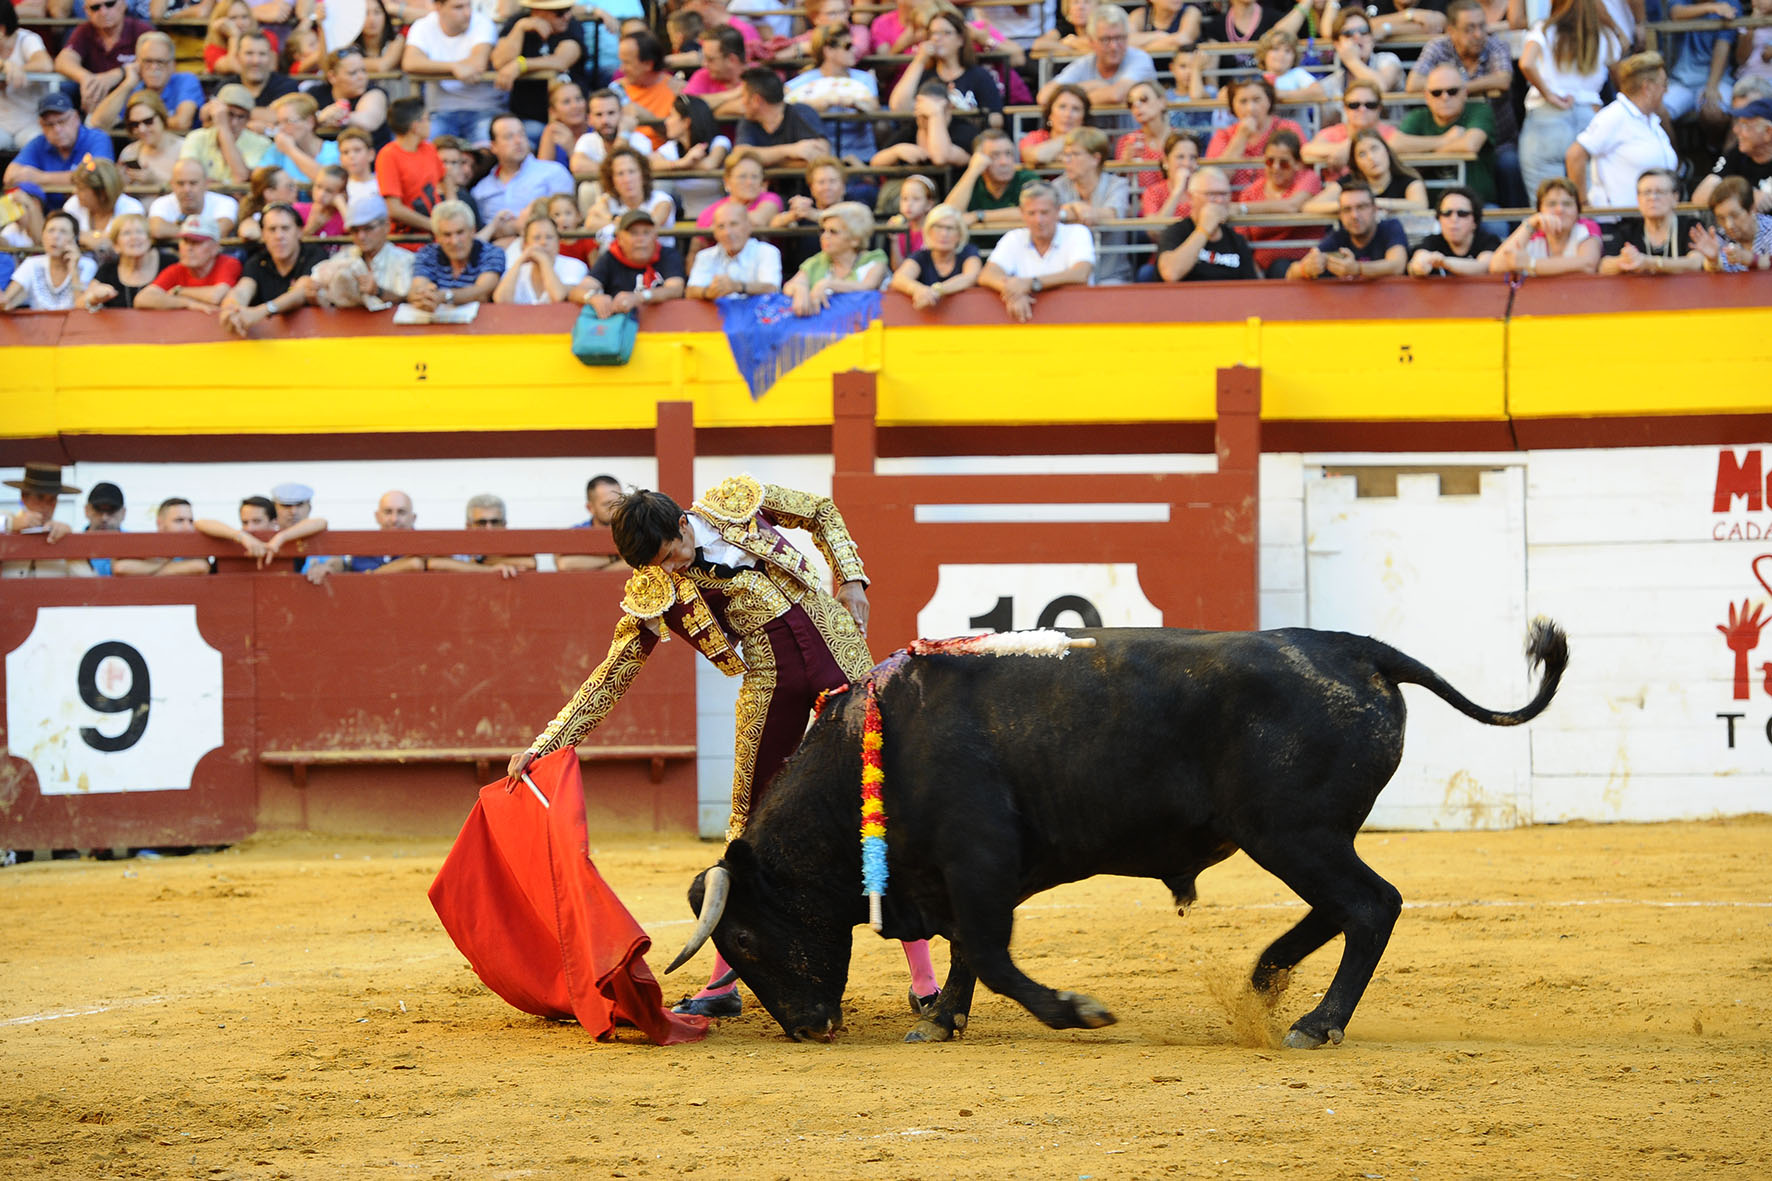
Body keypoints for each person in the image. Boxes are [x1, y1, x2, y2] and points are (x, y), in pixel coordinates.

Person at [504, 476, 941, 1020]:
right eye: (654, 567)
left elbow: (821, 511)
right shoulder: (657, 588)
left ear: (683, 524)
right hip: (769, 681)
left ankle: (924, 982)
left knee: (877, 801)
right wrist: (546, 744)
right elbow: (612, 674)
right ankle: (721, 984)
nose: (670, 571)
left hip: (839, 652)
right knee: (749, 830)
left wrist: (852, 579)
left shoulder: (737, 503)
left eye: (671, 554)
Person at [1517, 0, 1625, 201]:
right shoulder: (1605, 35)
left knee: (1548, 206)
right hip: (1590, 121)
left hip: (1546, 119)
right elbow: (1622, 81)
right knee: (1587, 204)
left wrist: (1548, 93)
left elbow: (1526, 63)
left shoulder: (1543, 29)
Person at [887, 7, 1003, 161]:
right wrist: (920, 59)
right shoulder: (924, 75)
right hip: (928, 148)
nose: (937, 38)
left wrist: (961, 111)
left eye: (946, 33)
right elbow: (898, 106)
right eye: (933, 33)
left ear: (961, 39)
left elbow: (997, 120)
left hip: (967, 146)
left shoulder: (979, 76)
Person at [1567, 51, 1676, 211]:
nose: (1665, 91)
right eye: (1663, 85)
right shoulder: (1615, 115)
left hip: (1648, 220)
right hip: (1618, 222)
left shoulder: (1651, 121)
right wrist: (1582, 206)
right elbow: (1575, 155)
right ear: (1648, 87)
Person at [977, 181, 1095, 321]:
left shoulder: (1077, 232)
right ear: (1022, 214)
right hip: (1029, 323)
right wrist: (1013, 290)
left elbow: (1080, 274)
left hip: (1075, 317)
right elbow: (987, 274)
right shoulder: (1014, 237)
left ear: (1058, 211)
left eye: (1044, 212)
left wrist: (1031, 284)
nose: (1038, 220)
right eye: (1031, 213)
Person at [404, 0, 501, 146]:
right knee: (423, 147)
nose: (467, 13)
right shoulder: (422, 25)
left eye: (469, 5)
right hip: (439, 112)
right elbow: (410, 62)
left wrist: (432, 67)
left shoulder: (483, 23)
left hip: (483, 110)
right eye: (458, 7)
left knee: (488, 150)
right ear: (438, 7)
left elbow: (476, 64)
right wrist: (453, 67)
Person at [219, 203, 322, 335]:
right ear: (263, 235)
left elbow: (300, 292)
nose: (279, 236)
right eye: (272, 229)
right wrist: (231, 308)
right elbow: (243, 289)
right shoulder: (257, 261)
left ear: (299, 231)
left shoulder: (314, 255)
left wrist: (261, 311)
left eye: (285, 228)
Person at [492, 0, 586, 143]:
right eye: (559, 13)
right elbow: (500, 62)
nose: (567, 16)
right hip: (526, 117)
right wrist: (520, 28)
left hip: (566, 120)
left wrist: (521, 64)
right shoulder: (517, 22)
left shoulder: (572, 26)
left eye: (568, 10)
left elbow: (561, 61)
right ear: (537, 12)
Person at [786, 22, 880, 165]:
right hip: (819, 161)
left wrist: (854, 103)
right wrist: (818, 104)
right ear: (828, 50)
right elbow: (784, 106)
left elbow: (875, 109)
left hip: (863, 157)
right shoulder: (801, 82)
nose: (854, 50)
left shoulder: (864, 79)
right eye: (848, 46)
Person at [1051, 126, 1134, 284]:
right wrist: (1075, 206)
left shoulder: (1117, 184)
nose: (1066, 161)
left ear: (1095, 159)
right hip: (1067, 277)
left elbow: (1112, 214)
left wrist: (1079, 212)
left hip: (1111, 276)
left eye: (1074, 154)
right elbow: (1050, 213)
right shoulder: (1058, 186)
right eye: (1065, 155)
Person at [472, 113, 574, 241]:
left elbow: (567, 221)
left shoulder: (554, 172)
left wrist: (514, 227)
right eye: (509, 136)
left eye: (521, 134)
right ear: (494, 147)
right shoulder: (480, 190)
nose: (518, 141)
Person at [1235, 128, 1321, 276]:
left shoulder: (1307, 178)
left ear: (1297, 163)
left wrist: (1242, 208)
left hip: (1305, 262)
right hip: (1262, 269)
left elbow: (1291, 206)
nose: (1275, 167)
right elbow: (1242, 241)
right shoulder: (1250, 193)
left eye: (1284, 163)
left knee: (1280, 267)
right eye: (1270, 161)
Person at [780, 200, 886, 316]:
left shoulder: (875, 259)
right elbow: (789, 286)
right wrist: (800, 290)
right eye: (823, 230)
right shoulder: (817, 261)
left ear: (855, 239)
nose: (825, 236)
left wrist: (828, 284)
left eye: (833, 232)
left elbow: (868, 286)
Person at [1038, 6, 1157, 106]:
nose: (1114, 46)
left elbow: (1115, 95)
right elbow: (1044, 97)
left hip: (1136, 133)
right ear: (1091, 41)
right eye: (1105, 39)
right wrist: (1092, 85)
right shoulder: (1085, 63)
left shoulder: (1140, 58)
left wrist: (1071, 99)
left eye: (1119, 38)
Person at [1155, 166, 1259, 281]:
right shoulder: (1176, 232)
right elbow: (1171, 273)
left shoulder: (1236, 240)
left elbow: (1251, 286)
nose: (1219, 201)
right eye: (1212, 194)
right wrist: (1204, 229)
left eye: (1224, 194)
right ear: (1191, 197)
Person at [1288, 180, 1409, 278]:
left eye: (1361, 207)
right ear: (1340, 215)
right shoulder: (1338, 237)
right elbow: (1291, 272)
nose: (1354, 215)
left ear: (1374, 209)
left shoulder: (1390, 227)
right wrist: (1307, 268)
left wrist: (1358, 268)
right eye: (1347, 209)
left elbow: (1397, 265)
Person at [4, 93, 115, 199]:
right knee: (20, 196)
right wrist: (70, 178)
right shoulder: (39, 143)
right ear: (41, 125)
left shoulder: (96, 138)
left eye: (62, 121)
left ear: (76, 118)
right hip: (48, 212)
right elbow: (10, 176)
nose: (57, 129)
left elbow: (99, 176)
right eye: (49, 124)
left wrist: (41, 177)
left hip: (88, 210)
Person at [86, 30, 200, 134]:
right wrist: (127, 84)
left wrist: (139, 122)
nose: (154, 67)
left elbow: (182, 123)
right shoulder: (135, 88)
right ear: (137, 64)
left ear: (172, 65)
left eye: (160, 62)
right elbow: (97, 123)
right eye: (148, 61)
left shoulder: (185, 81)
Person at [1206, 76, 1308, 191]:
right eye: (1243, 101)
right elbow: (1215, 180)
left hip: (1277, 199)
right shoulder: (1224, 135)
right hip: (1234, 202)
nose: (1250, 108)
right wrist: (1241, 137)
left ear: (1269, 100)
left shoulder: (1289, 128)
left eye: (1256, 100)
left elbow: (1302, 170)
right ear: (1232, 106)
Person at [314, 193, 416, 308]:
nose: (361, 236)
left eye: (368, 228)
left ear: (386, 227)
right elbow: (315, 283)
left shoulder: (405, 260)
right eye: (355, 230)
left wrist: (379, 291)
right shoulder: (344, 257)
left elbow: (410, 300)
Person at [53, 0, 153, 116]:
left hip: (131, 95)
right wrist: (87, 79)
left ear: (123, 5)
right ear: (86, 11)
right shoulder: (85, 30)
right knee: (65, 89)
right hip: (94, 95)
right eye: (95, 7)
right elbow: (63, 60)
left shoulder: (141, 29)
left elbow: (155, 62)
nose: (103, 12)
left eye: (110, 4)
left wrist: (117, 74)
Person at [1489, 176, 1604, 274]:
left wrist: (1531, 264)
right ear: (1540, 210)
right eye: (1551, 204)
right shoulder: (1531, 234)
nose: (1560, 210)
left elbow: (1588, 264)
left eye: (1567, 204)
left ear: (1578, 211)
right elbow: (1496, 266)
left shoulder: (1586, 227)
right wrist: (1529, 224)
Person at [735, 65, 831, 181]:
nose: (742, 102)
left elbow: (820, 156)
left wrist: (763, 161)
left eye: (743, 96)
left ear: (756, 100)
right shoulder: (748, 121)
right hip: (762, 196)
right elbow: (741, 156)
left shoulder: (801, 112)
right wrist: (792, 150)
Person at [1598, 168, 1703, 273]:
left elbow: (1696, 262)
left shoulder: (1691, 226)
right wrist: (1624, 260)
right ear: (1638, 199)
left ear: (1675, 198)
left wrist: (1651, 263)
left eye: (1660, 192)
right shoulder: (1627, 229)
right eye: (1647, 192)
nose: (1652, 197)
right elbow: (1604, 266)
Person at [2, 462, 94, 579]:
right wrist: (11, 524)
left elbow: (89, 581)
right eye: (40, 497)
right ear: (24, 497)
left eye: (52, 499)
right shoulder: (7, 521)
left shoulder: (60, 533)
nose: (46, 506)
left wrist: (69, 542)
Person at [584, 208, 686, 313]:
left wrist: (640, 297)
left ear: (655, 236)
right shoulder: (611, 257)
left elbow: (676, 289)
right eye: (634, 233)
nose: (641, 239)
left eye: (646, 232)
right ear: (620, 239)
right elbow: (582, 288)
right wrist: (592, 297)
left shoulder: (668, 254)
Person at [409, 199, 506, 309]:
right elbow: (417, 288)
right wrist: (423, 297)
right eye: (447, 235)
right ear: (437, 237)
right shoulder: (427, 254)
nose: (454, 241)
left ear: (472, 231)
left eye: (460, 232)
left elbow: (482, 293)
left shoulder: (492, 253)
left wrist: (445, 296)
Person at [1306, 128, 1428, 213]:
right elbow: (1310, 206)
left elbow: (1420, 205)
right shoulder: (1350, 182)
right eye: (1362, 154)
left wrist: (1374, 203)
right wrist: (1350, 205)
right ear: (1356, 162)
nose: (1371, 158)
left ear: (1386, 150)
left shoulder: (1408, 179)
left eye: (1374, 149)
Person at [685, 193, 783, 298]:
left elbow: (773, 287)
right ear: (715, 232)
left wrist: (737, 286)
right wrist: (708, 292)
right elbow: (690, 291)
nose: (727, 232)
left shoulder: (767, 251)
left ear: (748, 226)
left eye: (734, 224)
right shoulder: (705, 256)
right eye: (721, 226)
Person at [135, 213, 240, 309]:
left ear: (215, 247)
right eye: (185, 241)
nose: (189, 248)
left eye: (196, 242)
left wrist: (178, 291)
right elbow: (142, 299)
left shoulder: (228, 263)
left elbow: (216, 296)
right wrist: (189, 304)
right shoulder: (176, 269)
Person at [946, 129, 1039, 237]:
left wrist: (978, 216)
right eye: (995, 155)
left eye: (1008, 153)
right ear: (980, 159)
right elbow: (948, 214)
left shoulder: (1026, 178)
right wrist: (972, 171)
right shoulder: (971, 181)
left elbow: (1035, 209)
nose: (1005, 162)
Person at [1663, 0, 1740, 128]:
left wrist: (1711, 86)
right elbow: (1676, 13)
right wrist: (1712, 7)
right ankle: (1673, 148)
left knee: (1714, 113)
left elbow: (1723, 45)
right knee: (1657, 113)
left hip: (1718, 79)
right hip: (1682, 81)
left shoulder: (1730, 3)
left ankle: (1713, 147)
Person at [889, 202, 981, 309]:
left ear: (960, 235)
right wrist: (919, 290)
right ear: (928, 231)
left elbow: (971, 277)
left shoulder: (968, 252)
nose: (944, 234)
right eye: (938, 227)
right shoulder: (921, 257)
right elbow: (899, 278)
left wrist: (937, 290)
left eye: (950, 228)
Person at [1694, 83, 1772, 208]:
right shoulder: (1738, 153)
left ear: (1768, 132)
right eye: (1738, 123)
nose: (1736, 130)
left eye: (1745, 125)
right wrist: (1747, 196)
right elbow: (1699, 197)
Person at [377, 96, 446, 235]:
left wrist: (451, 210)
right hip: (407, 240)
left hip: (439, 235)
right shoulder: (388, 156)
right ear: (415, 126)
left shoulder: (429, 148)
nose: (429, 124)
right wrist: (436, 226)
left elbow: (445, 178)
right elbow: (394, 209)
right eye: (427, 119)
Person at [583, 145, 677, 246]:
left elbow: (648, 226)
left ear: (643, 174)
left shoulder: (662, 200)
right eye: (620, 174)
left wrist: (617, 223)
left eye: (632, 172)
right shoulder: (608, 199)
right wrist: (612, 218)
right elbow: (590, 222)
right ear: (612, 179)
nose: (627, 179)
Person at [2, 210, 94, 310]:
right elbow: (6, 301)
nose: (55, 236)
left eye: (63, 231)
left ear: (74, 238)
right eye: (51, 231)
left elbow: (83, 310)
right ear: (43, 236)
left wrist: (74, 271)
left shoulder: (87, 265)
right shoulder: (31, 264)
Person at [180, 84, 271, 184]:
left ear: (248, 119)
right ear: (216, 113)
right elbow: (187, 177)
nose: (234, 123)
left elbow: (242, 177)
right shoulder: (196, 137)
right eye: (229, 114)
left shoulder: (261, 143)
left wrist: (223, 128)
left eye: (241, 117)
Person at [493, 210, 590, 303]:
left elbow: (559, 297)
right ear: (526, 244)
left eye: (549, 237)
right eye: (537, 238)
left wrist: (544, 261)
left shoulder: (574, 266)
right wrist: (520, 261)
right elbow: (501, 300)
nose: (544, 242)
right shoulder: (515, 270)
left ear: (558, 242)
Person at [429, 494, 536, 578]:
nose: (488, 528)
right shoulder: (460, 545)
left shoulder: (512, 546)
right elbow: (435, 563)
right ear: (468, 526)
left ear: (504, 525)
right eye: (481, 522)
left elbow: (530, 563)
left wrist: (483, 561)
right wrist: (488, 569)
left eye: (495, 522)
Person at [78, 211, 170, 309]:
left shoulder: (168, 263)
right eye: (127, 233)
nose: (134, 237)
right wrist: (95, 298)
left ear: (149, 240)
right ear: (116, 245)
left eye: (140, 231)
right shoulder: (108, 269)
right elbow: (80, 304)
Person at [305, 48, 391, 150]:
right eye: (352, 73)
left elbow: (367, 121)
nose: (361, 77)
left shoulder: (375, 92)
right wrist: (319, 116)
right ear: (332, 76)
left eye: (363, 70)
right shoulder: (315, 93)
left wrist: (339, 116)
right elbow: (298, 118)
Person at [1408, 185, 1501, 275]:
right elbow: (1417, 260)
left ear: (1475, 222)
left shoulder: (1488, 240)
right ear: (1439, 219)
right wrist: (1419, 267)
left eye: (1462, 213)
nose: (1454, 219)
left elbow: (1484, 266)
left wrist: (1445, 262)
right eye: (1446, 213)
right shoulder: (1431, 241)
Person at [0, 0, 55, 153]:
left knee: (39, 145)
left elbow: (45, 64)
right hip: (2, 124)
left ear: (2, 29)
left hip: (31, 122)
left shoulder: (27, 39)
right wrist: (5, 66)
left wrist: (18, 68)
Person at [1690, 174, 1772, 271]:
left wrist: (1751, 259)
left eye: (1735, 215)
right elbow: (1714, 266)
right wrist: (1712, 261)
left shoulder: (1769, 230)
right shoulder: (1720, 237)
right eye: (1721, 218)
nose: (1729, 225)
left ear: (1752, 209)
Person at [147, 157, 239, 240]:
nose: (187, 189)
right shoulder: (161, 203)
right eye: (180, 183)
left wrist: (176, 230)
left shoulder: (225, 202)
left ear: (206, 184)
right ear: (172, 185)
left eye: (193, 183)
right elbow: (157, 230)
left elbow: (221, 230)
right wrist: (202, 232)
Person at [114, 498, 210, 577]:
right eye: (179, 520)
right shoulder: (147, 546)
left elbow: (201, 566)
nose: (188, 527)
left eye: (190, 521)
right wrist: (166, 562)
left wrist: (148, 571)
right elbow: (121, 568)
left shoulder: (195, 549)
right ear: (160, 524)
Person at [614, 30, 675, 149]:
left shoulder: (677, 89)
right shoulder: (616, 89)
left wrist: (651, 120)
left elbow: (681, 138)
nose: (621, 69)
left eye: (627, 63)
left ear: (648, 64)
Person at [694, 150, 784, 230]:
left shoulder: (771, 199)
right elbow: (696, 248)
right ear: (727, 181)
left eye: (755, 176)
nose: (750, 182)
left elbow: (758, 220)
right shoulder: (708, 214)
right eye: (742, 176)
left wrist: (719, 224)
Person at [569, 88, 653, 173]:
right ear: (590, 119)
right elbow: (577, 166)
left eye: (611, 113)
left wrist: (623, 135)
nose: (605, 121)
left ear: (621, 114)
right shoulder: (587, 139)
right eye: (599, 115)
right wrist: (613, 171)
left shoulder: (639, 140)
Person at [66, 156, 142, 250]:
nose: (75, 192)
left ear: (102, 193)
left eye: (81, 188)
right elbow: (63, 235)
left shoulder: (132, 208)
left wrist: (80, 236)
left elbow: (128, 244)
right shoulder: (73, 203)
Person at [557, 474, 627, 572]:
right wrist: (614, 559)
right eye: (607, 504)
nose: (616, 508)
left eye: (620, 502)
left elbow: (639, 563)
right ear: (590, 508)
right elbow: (564, 564)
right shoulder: (577, 532)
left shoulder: (631, 529)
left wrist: (595, 569)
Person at [116, 92, 184, 188]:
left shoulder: (185, 149)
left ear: (161, 116)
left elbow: (191, 190)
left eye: (148, 121)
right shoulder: (128, 153)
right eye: (135, 124)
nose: (142, 129)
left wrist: (156, 181)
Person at [1019, 83, 1090, 167]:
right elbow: (1034, 156)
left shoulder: (1091, 140)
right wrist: (1067, 138)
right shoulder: (1036, 137)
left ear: (1083, 117)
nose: (1068, 114)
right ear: (1050, 114)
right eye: (1062, 107)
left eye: (1075, 109)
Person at [684, 23, 747, 116]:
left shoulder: (758, 76)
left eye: (710, 59)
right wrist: (733, 94)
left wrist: (709, 112)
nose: (704, 64)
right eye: (704, 58)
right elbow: (685, 106)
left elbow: (746, 108)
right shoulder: (703, 75)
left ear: (732, 60)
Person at [82, 481, 125, 577]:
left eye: (111, 511)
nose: (104, 518)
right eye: (98, 510)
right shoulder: (73, 543)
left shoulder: (136, 543)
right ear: (87, 510)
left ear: (123, 513)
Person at [1129, 0, 1202, 52]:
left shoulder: (1191, 11)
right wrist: (1158, 35)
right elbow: (1128, 40)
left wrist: (1140, 48)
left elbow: (1182, 40)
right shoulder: (1140, 14)